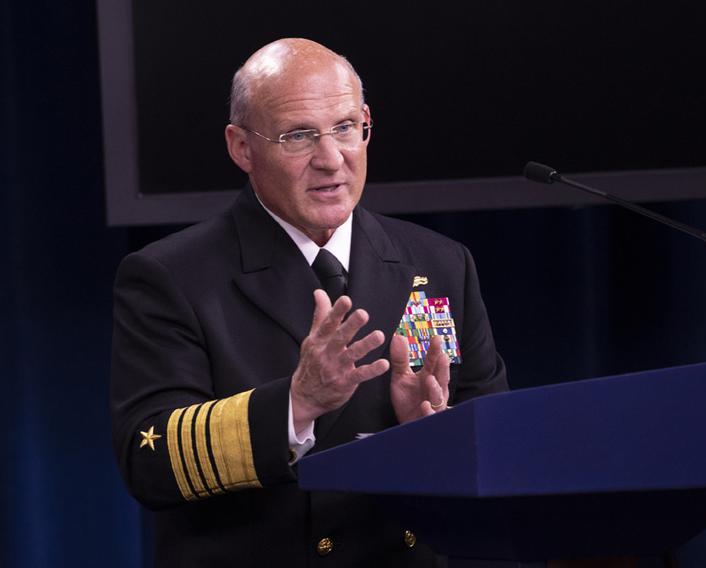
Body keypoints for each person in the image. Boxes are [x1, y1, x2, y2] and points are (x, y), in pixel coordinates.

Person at [110, 38, 508, 567]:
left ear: (366, 123)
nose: (331, 159)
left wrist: (433, 433)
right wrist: (297, 406)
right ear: (241, 147)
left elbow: (498, 441)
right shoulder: (170, 276)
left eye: (345, 128)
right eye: (298, 136)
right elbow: (150, 460)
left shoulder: (438, 264)